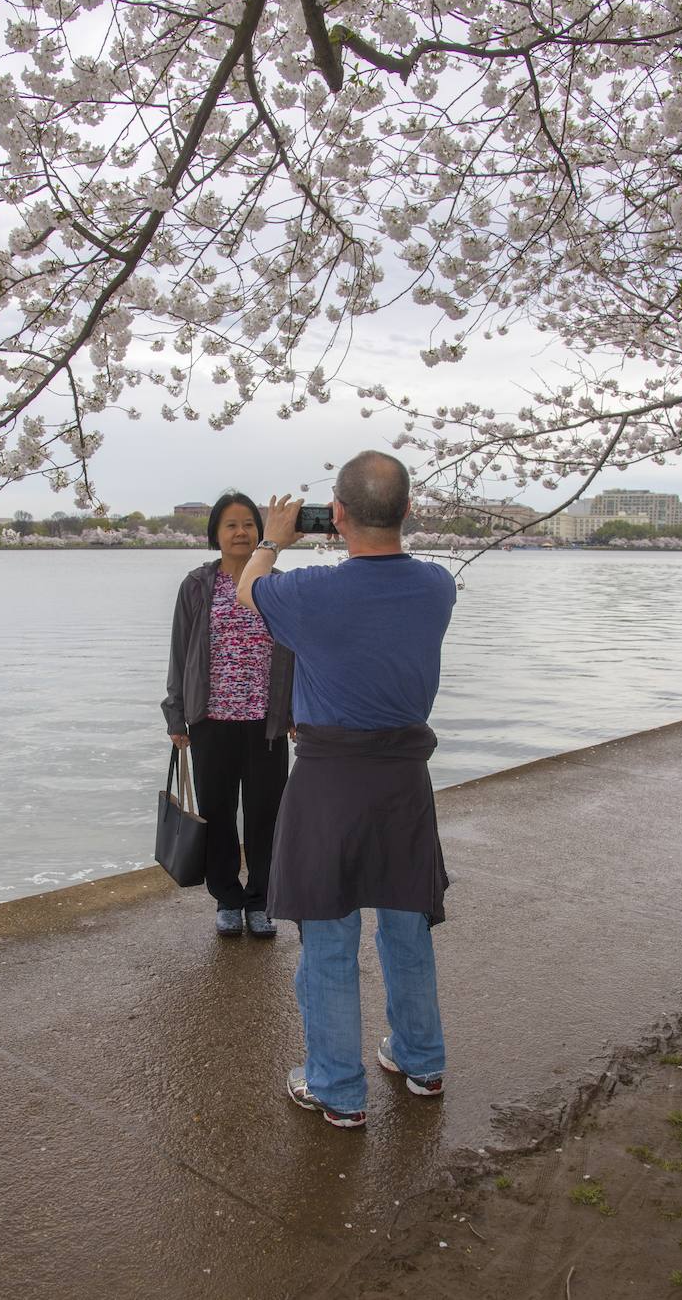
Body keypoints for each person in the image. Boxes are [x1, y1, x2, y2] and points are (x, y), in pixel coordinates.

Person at [236, 451, 457, 1128]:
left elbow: (248, 591)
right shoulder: (438, 586)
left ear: (335, 515)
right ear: (409, 511)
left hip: (330, 780)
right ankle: (421, 1061)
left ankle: (337, 1087)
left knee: (329, 937)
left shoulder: (311, 595)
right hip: (403, 781)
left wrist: (272, 538)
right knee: (405, 922)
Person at [162, 491, 294, 937]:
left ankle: (260, 899)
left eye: (249, 525)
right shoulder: (197, 586)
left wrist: (298, 711)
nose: (241, 533)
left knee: (265, 814)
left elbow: (299, 654)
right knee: (217, 813)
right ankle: (226, 898)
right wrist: (176, 715)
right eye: (231, 526)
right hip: (210, 721)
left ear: (261, 533)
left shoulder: (276, 584)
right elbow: (180, 653)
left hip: (266, 724)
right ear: (216, 534)